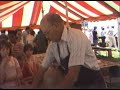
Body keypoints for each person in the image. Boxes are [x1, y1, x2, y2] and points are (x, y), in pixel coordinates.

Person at [32, 13, 106, 89]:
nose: (47, 37)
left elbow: (73, 75)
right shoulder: (53, 45)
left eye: (47, 33)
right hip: (77, 84)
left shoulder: (76, 37)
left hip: (93, 83)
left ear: (56, 26)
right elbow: (42, 69)